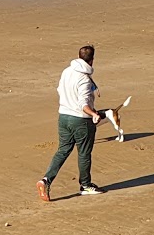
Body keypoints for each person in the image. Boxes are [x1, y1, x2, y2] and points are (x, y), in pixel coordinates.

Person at [37, 45, 104, 200]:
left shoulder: (67, 71)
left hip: (63, 117)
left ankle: (46, 180)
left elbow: (60, 90)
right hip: (80, 120)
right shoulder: (85, 80)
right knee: (84, 153)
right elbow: (83, 104)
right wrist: (94, 113)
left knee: (63, 150)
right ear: (92, 60)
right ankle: (86, 185)